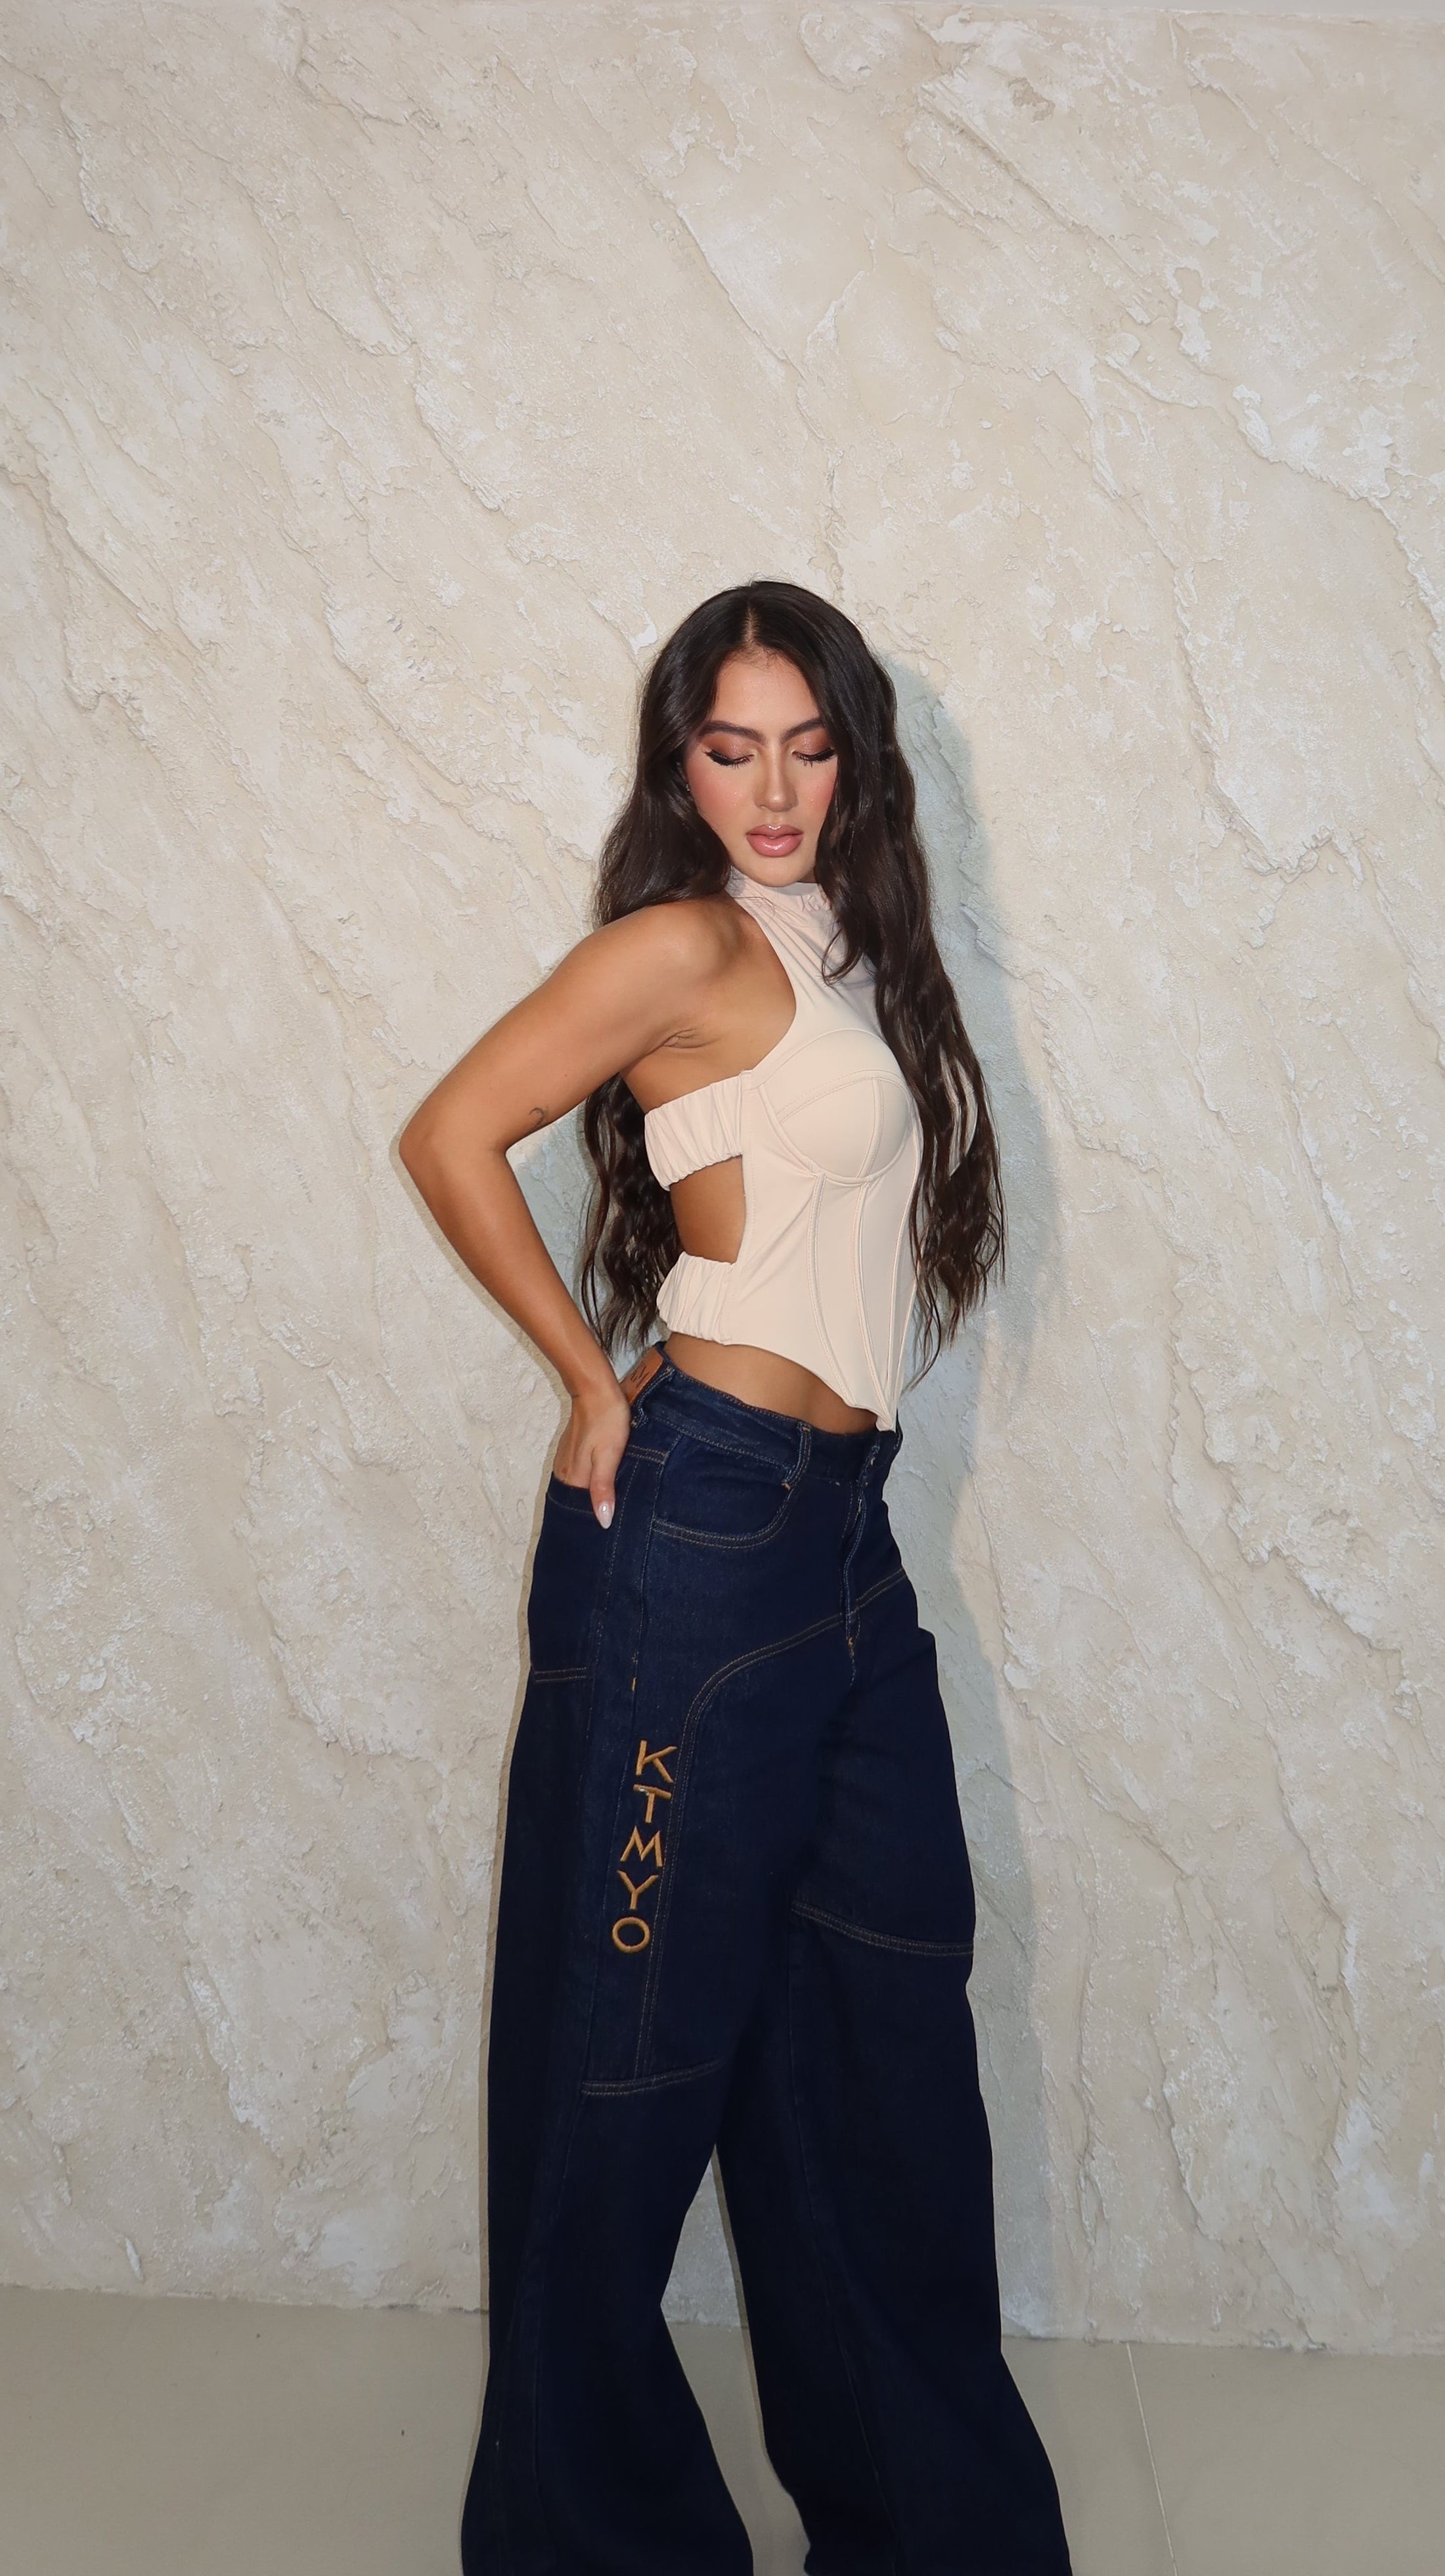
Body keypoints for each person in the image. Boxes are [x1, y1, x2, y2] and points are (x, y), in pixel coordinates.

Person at [399, 580, 1073, 2575]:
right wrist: (581, 1379)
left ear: (853, 759)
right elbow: (452, 1133)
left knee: (883, 2041)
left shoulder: (852, 945)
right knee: (627, 2070)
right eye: (729, 748)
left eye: (808, 746)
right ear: (679, 765)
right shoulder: (682, 942)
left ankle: (932, 2533)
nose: (773, 790)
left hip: (844, 1551)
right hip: (695, 1540)